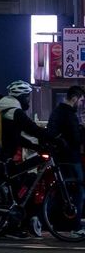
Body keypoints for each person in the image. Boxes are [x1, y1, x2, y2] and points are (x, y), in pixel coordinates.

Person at [47, 86, 85, 236]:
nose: (82, 104)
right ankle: (74, 227)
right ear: (75, 99)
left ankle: (59, 224)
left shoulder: (57, 111)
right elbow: (76, 140)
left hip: (61, 158)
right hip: (70, 159)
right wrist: (82, 128)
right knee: (78, 192)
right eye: (81, 100)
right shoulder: (68, 115)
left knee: (63, 192)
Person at [0, 80, 57, 160]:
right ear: (21, 97)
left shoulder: (5, 107)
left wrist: (35, 147)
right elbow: (33, 129)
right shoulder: (16, 112)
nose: (29, 100)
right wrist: (54, 139)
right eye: (27, 97)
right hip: (5, 155)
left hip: (2, 153)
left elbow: (16, 137)